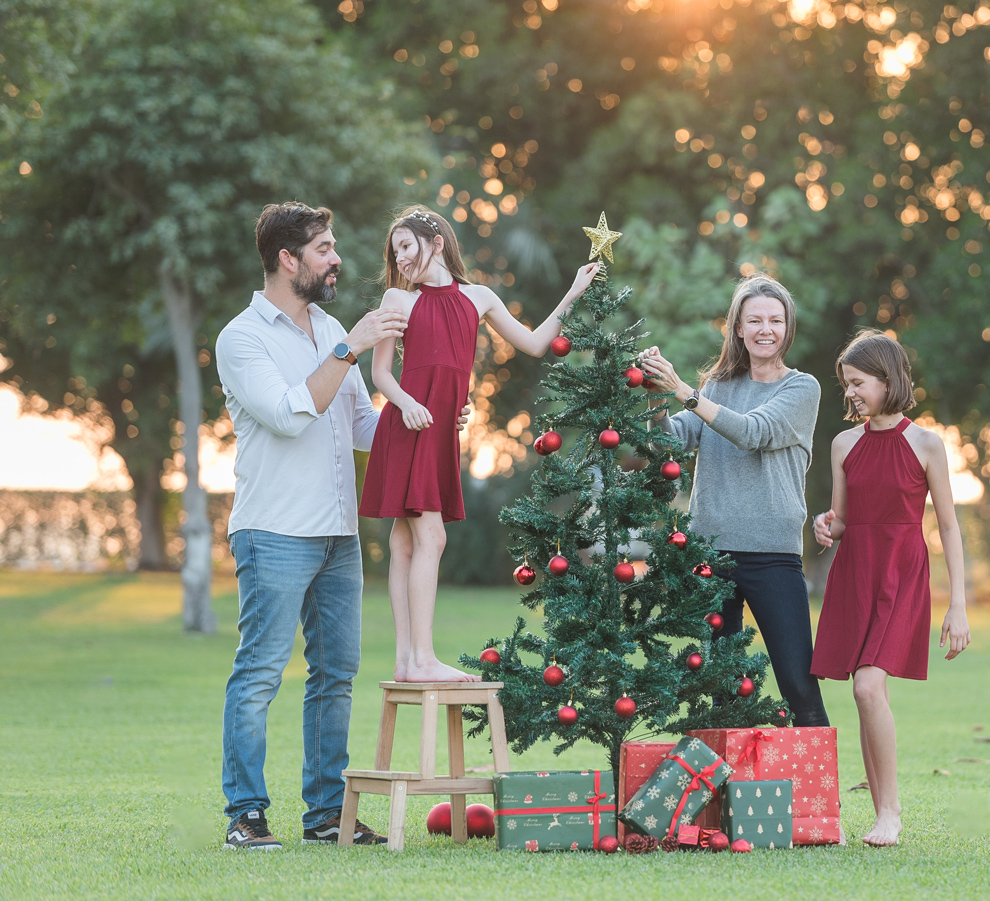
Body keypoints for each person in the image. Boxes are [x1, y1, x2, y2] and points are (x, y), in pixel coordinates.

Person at [216, 201, 469, 850]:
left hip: (338, 534)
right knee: (260, 674)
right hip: (272, 531)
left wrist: (425, 415)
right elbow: (291, 412)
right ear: (288, 259)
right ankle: (245, 815)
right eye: (325, 248)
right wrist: (351, 345)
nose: (337, 259)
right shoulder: (242, 337)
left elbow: (360, 424)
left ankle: (327, 814)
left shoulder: (327, 324)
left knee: (336, 675)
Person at [359, 206, 600, 682]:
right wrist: (406, 403)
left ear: (436, 241)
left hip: (440, 433)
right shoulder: (397, 299)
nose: (401, 258)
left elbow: (533, 344)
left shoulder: (479, 297)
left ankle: (409, 663)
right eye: (395, 251)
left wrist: (573, 292)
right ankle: (418, 658)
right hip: (408, 426)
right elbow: (381, 372)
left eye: (406, 246)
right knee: (429, 537)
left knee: (409, 539)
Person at [638, 273, 830, 728]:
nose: (766, 329)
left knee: (798, 683)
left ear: (788, 328)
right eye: (755, 320)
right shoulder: (717, 387)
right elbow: (671, 445)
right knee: (721, 691)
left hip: (772, 554)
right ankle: (730, 798)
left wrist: (684, 392)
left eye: (776, 320)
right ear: (738, 329)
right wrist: (656, 400)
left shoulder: (801, 389)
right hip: (710, 554)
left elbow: (752, 433)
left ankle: (817, 800)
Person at [810, 329, 972, 847]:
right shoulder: (844, 443)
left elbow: (948, 527)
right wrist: (824, 524)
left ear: (888, 379)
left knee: (867, 685)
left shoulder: (926, 444)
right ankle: (882, 813)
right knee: (864, 693)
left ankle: (892, 813)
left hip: (902, 574)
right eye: (846, 385)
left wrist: (958, 606)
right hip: (854, 573)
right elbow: (844, 520)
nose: (851, 393)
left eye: (858, 383)